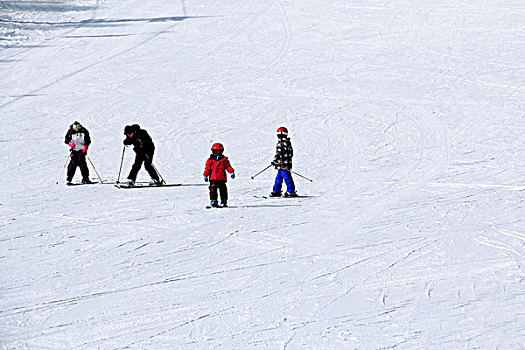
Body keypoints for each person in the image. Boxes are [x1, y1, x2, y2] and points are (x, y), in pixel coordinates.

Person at [203, 143, 235, 207]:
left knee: (223, 189)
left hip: (222, 178)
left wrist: (231, 171)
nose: (217, 153)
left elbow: (228, 167)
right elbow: (207, 168)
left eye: (219, 151)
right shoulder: (210, 160)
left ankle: (224, 200)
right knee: (213, 189)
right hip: (213, 178)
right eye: (215, 151)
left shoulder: (224, 160)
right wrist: (205, 175)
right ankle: (213, 201)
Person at [270, 126, 297, 197]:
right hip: (286, 165)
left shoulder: (280, 143)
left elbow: (279, 154)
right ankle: (276, 191)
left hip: (282, 165)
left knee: (286, 178)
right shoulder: (288, 143)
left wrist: (275, 161)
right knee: (278, 178)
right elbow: (290, 154)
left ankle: (291, 191)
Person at [64, 121, 92, 185]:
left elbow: (88, 140)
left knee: (82, 164)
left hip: (82, 150)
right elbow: (66, 140)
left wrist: (86, 146)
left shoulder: (84, 131)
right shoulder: (70, 131)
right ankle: (69, 179)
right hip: (74, 150)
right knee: (73, 164)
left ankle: (85, 179)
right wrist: (70, 143)